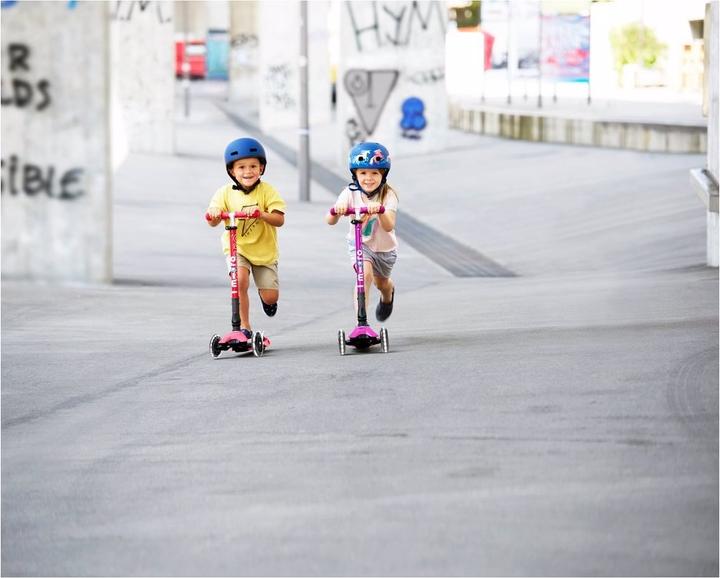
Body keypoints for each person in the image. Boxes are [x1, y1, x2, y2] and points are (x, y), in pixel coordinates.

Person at [206, 137, 286, 339]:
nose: (248, 171)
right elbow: (212, 221)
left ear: (261, 168)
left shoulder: (267, 191)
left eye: (253, 166)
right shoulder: (224, 193)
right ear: (232, 171)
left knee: (271, 297)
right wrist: (214, 214)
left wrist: (262, 214)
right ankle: (244, 326)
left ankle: (265, 297)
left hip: (264, 252)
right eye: (241, 167)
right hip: (237, 248)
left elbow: (279, 219)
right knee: (239, 281)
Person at [325, 141, 398, 322]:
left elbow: (389, 226)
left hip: (385, 249)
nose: (368, 178)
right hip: (360, 244)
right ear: (355, 174)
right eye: (363, 173)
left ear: (383, 174)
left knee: (382, 283)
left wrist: (380, 210)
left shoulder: (388, 195)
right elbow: (330, 220)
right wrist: (337, 210)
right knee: (364, 276)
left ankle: (388, 295)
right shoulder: (349, 193)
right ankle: (361, 322)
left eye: (374, 173)